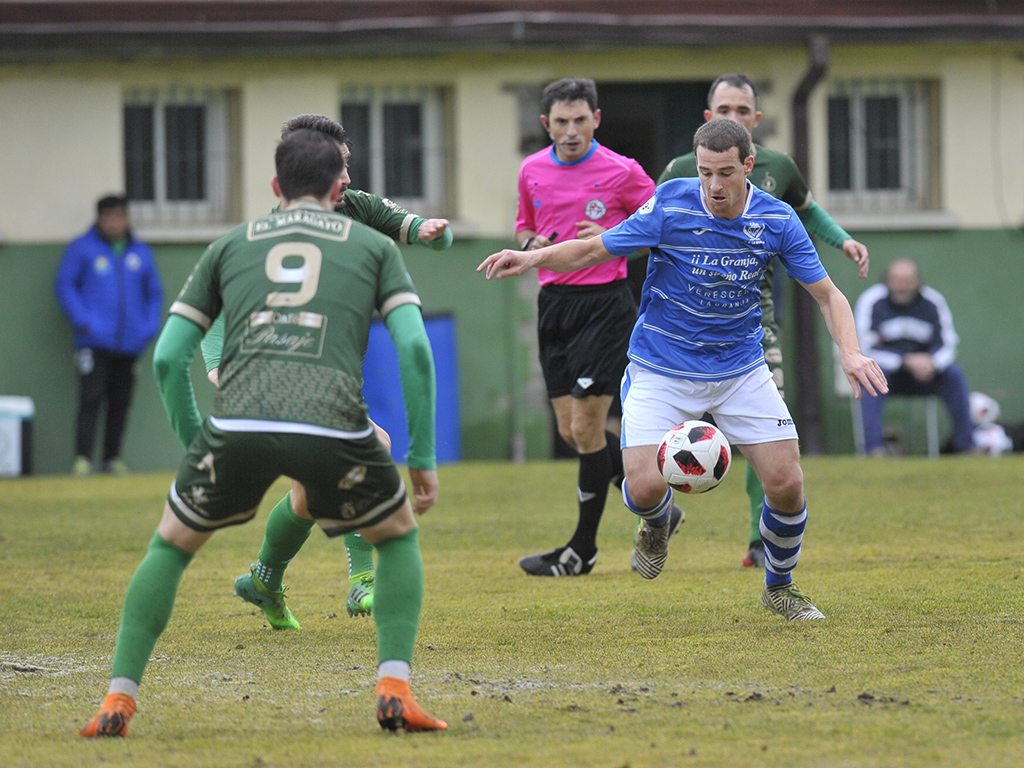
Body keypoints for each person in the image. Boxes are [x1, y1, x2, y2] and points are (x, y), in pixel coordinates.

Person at [79, 128, 446, 738]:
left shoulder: (229, 245)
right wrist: (425, 454)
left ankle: (117, 702)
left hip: (240, 421)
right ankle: (393, 691)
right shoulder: (369, 247)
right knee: (399, 537)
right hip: (331, 421)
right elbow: (414, 348)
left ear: (276, 187)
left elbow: (170, 358)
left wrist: (197, 438)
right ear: (339, 188)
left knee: (169, 547)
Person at [480, 119, 888, 620]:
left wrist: (850, 351)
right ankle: (655, 524)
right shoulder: (670, 203)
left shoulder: (778, 220)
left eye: (725, 173)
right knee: (645, 488)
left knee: (787, 484)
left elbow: (828, 295)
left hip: (740, 369)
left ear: (748, 165)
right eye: (704, 172)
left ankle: (779, 586)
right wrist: (532, 258)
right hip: (661, 367)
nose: (714, 186)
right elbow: (593, 248)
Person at [201, 114, 452, 626]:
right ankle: (362, 584)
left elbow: (419, 231)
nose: (348, 179)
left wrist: (433, 234)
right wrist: (214, 364)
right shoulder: (269, 236)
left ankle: (264, 581)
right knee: (370, 452)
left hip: (335, 381)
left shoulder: (356, 209)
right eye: (340, 168)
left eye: (347, 166)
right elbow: (216, 308)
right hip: (281, 380)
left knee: (309, 494)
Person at [658, 73, 871, 569]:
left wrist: (842, 240)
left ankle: (760, 536)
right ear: (708, 118)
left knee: (765, 432)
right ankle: (654, 512)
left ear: (756, 122)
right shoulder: (678, 173)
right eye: (724, 110)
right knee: (662, 427)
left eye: (742, 111)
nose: (733, 118)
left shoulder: (777, 170)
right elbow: (647, 225)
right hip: (685, 325)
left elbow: (809, 212)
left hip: (756, 319)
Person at [514, 76, 678, 578]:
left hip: (605, 306)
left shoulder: (623, 172)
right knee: (572, 431)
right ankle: (660, 508)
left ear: (596, 120)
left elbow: (666, 230)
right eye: (560, 122)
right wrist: (530, 242)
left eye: (579, 120)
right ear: (546, 124)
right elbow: (522, 229)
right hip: (553, 305)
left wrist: (612, 236)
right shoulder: (532, 170)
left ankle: (581, 551)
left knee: (587, 428)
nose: (570, 130)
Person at [54, 194, 163, 476]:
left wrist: (148, 328)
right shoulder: (82, 248)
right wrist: (84, 321)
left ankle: (112, 459)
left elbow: (154, 294)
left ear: (126, 219)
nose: (114, 223)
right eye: (108, 218)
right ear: (100, 219)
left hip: (130, 343)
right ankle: (83, 459)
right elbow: (65, 286)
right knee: (90, 400)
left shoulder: (141, 252)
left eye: (119, 217)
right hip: (94, 341)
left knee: (120, 403)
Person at [854, 257, 975, 455]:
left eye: (907, 280)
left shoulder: (933, 302)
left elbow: (949, 344)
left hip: (926, 376)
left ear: (919, 281)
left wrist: (932, 363)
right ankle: (874, 450)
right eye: (896, 280)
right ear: (886, 280)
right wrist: (904, 361)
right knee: (870, 375)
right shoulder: (872, 301)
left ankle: (968, 446)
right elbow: (864, 347)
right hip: (887, 375)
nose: (901, 286)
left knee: (955, 374)